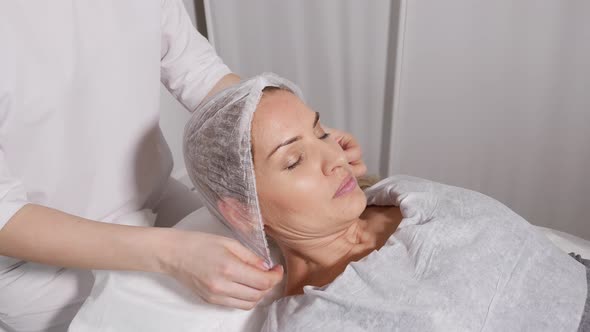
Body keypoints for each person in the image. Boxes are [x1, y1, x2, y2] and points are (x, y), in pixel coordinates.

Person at [0, 2, 366, 331]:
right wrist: (173, 253)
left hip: (154, 195)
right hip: (40, 262)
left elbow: (198, 71)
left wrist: (304, 138)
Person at [184, 73, 590, 332]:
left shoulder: (396, 192)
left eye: (321, 133)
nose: (335, 159)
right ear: (243, 210)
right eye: (294, 160)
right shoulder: (311, 322)